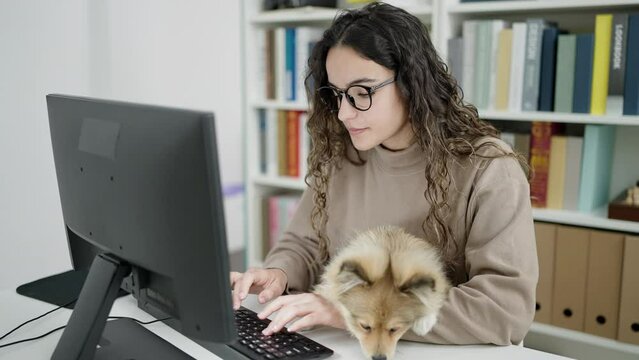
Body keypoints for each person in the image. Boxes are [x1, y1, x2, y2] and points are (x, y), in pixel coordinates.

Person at [230, 2, 538, 345]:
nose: (345, 113)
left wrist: (349, 310)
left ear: (411, 82)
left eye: (362, 93)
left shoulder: (490, 169)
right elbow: (303, 243)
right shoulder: (342, 154)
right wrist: (278, 273)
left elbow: (504, 310)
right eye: (337, 95)